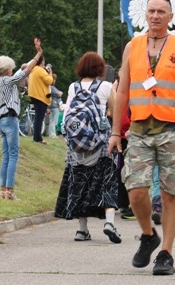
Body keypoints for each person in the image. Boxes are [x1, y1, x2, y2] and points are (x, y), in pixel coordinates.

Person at [108, 0, 175, 276]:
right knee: (135, 189)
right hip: (139, 127)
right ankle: (147, 234)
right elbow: (123, 89)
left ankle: (166, 252)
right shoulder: (133, 46)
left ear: (170, 16)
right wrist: (116, 131)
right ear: (145, 14)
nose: (155, 16)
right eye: (151, 11)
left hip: (174, 128)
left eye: (160, 12)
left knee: (170, 192)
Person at [55, 51, 120, 244]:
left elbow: (68, 114)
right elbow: (115, 114)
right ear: (100, 68)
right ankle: (109, 223)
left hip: (77, 146)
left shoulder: (73, 87)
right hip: (101, 143)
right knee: (107, 182)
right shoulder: (106, 86)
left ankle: (82, 230)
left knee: (79, 185)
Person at [0, 38, 43, 200]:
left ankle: (3, 190)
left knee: (6, 155)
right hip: (10, 118)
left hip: (0, 119)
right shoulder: (8, 81)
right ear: (7, 69)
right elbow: (25, 72)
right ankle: (10, 191)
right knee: (13, 155)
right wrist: (38, 55)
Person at [28, 55, 53, 144]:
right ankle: (38, 138)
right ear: (41, 61)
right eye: (44, 61)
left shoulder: (33, 70)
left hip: (34, 95)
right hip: (40, 96)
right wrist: (50, 72)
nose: (44, 62)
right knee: (39, 118)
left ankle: (36, 137)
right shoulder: (40, 70)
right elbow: (50, 81)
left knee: (37, 117)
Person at [48, 73, 63, 138]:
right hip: (54, 105)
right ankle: (52, 134)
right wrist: (60, 93)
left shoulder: (50, 87)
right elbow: (59, 93)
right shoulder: (52, 87)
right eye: (54, 79)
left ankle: (51, 133)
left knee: (52, 120)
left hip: (52, 105)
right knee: (54, 121)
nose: (55, 81)